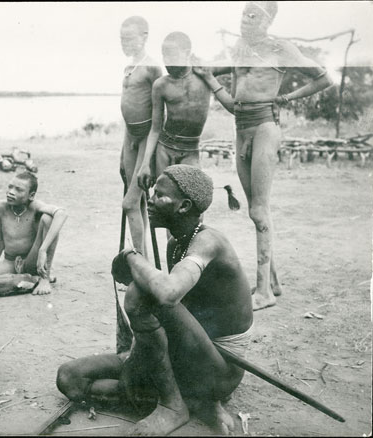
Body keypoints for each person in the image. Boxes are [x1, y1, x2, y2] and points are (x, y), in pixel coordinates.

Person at [57, 165, 253, 436]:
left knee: (140, 294)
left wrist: (131, 256)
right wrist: (138, 359)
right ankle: (195, 402)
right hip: (186, 356)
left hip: (219, 368)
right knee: (70, 379)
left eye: (159, 195)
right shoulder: (177, 243)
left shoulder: (209, 242)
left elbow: (168, 294)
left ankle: (174, 405)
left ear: (184, 206)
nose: (149, 199)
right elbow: (176, 317)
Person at [194, 1, 333, 310]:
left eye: (254, 15)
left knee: (259, 211)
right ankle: (273, 282)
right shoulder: (239, 49)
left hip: (265, 128)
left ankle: (263, 293)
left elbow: (324, 78)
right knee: (255, 211)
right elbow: (232, 104)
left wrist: (286, 97)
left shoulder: (281, 47)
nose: (246, 19)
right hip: (241, 129)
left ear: (268, 21)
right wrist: (207, 77)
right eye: (244, 13)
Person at [137, 32, 231, 191]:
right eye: (164, 56)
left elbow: (238, 65)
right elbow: (155, 128)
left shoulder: (204, 72)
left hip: (190, 151)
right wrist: (145, 164)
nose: (167, 60)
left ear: (187, 53)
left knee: (194, 201)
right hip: (164, 149)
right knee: (163, 200)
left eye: (172, 55)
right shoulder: (161, 85)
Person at [0, 171, 67, 295]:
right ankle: (32, 278)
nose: (11, 192)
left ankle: (44, 278)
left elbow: (61, 213)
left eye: (19, 190)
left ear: (31, 195)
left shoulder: (35, 207)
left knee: (48, 219)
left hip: (32, 262)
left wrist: (42, 250)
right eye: (10, 187)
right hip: (10, 263)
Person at [120, 16, 162, 254]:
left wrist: (149, 158)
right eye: (121, 38)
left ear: (144, 37)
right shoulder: (128, 67)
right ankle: (143, 260)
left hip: (147, 138)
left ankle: (140, 268)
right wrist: (122, 151)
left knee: (129, 203)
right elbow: (129, 113)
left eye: (129, 38)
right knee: (139, 203)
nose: (124, 43)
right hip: (130, 139)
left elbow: (159, 115)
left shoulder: (152, 67)